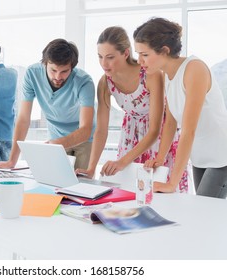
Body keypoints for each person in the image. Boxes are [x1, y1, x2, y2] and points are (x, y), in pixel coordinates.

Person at [135, 17, 227, 198]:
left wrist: (172, 182)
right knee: (203, 212)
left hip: (224, 155)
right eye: (138, 54)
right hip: (200, 156)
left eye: (145, 54)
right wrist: (160, 157)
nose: (139, 61)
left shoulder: (194, 69)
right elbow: (171, 122)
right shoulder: (167, 75)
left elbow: (188, 130)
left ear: (164, 51)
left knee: (207, 213)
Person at [76, 26, 190, 193]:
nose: (103, 63)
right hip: (130, 136)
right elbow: (101, 130)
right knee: (128, 191)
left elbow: (154, 130)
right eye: (100, 57)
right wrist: (92, 168)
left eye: (110, 57)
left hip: (159, 138)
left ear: (126, 53)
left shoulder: (150, 74)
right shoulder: (105, 83)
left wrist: (122, 162)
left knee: (160, 191)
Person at [0, 39, 95, 170]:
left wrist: (58, 143)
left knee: (80, 184)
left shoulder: (84, 82)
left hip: (83, 138)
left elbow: (85, 129)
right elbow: (23, 120)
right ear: (45, 63)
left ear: (72, 68)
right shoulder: (32, 74)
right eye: (53, 70)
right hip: (55, 136)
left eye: (64, 71)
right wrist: (11, 161)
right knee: (54, 182)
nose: (58, 76)